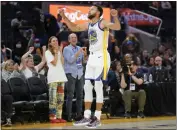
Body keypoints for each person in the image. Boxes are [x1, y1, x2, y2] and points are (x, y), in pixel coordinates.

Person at [59, 5, 121, 128]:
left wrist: (115, 17)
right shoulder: (89, 24)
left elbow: (117, 27)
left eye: (92, 9)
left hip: (101, 55)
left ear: (98, 13)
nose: (89, 10)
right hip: (91, 57)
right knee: (87, 86)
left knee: (98, 85)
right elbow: (74, 27)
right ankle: (87, 116)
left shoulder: (102, 23)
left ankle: (97, 117)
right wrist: (64, 16)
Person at [63, 33, 87, 122]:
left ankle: (79, 115)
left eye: (75, 37)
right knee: (70, 95)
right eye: (72, 38)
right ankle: (69, 116)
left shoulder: (79, 48)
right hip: (70, 74)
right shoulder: (66, 49)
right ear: (69, 40)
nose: (74, 39)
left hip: (80, 74)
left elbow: (83, 62)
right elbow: (70, 60)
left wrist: (85, 56)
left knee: (80, 96)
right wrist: (78, 52)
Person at [45, 36, 68, 123]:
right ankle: (52, 117)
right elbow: (54, 63)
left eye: (56, 40)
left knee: (60, 99)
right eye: (53, 41)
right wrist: (55, 52)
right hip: (53, 78)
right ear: (50, 43)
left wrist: (60, 51)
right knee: (53, 99)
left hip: (61, 77)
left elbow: (62, 62)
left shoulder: (58, 52)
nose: (55, 42)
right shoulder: (47, 52)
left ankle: (59, 116)